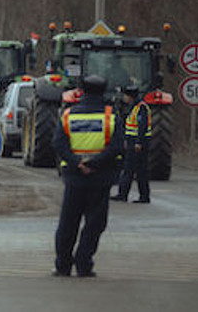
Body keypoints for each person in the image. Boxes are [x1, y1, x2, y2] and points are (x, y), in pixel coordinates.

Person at [52, 74, 123, 278]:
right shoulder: (111, 116)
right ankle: (84, 264)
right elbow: (117, 147)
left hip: (74, 178)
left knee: (68, 223)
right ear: (104, 91)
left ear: (81, 90)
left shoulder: (68, 115)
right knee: (95, 224)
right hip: (100, 178)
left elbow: (59, 144)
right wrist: (94, 163)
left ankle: (63, 266)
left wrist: (78, 163)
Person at [111, 85, 152, 203]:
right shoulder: (133, 107)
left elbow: (142, 127)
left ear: (130, 96)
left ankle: (134, 195)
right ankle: (128, 194)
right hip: (131, 141)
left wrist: (138, 142)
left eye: (125, 95)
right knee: (133, 169)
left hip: (138, 143)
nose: (124, 98)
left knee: (136, 170)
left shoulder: (141, 108)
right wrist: (125, 140)